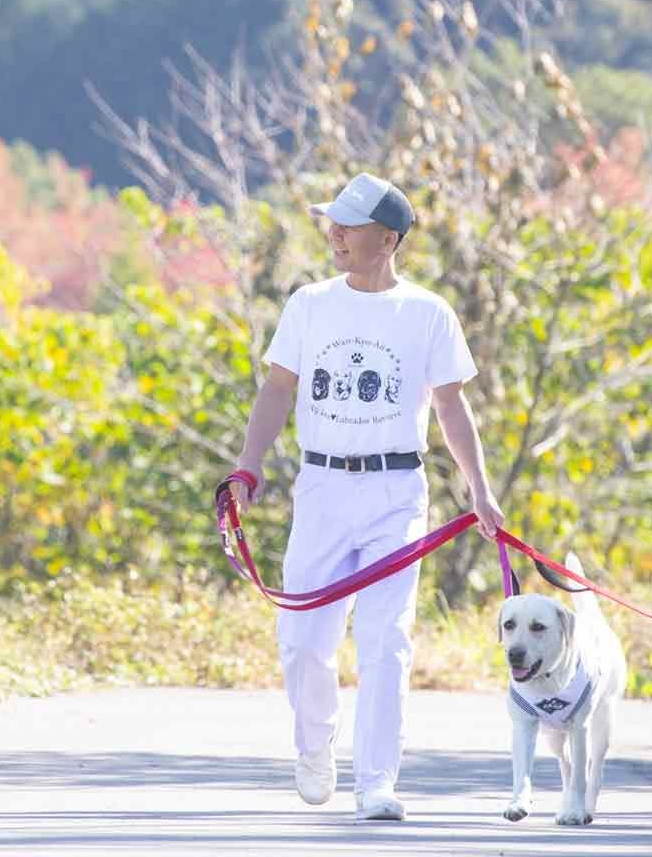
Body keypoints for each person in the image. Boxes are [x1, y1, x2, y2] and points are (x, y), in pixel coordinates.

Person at [227, 172, 505, 821]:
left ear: (389, 239)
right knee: (303, 638)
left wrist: (480, 491)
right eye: (333, 222)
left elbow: (451, 408)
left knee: (386, 639)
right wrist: (249, 463)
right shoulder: (310, 305)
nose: (334, 234)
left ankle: (377, 780)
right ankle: (314, 745)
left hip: (395, 493)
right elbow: (276, 389)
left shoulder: (428, 313)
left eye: (347, 226)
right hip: (321, 488)